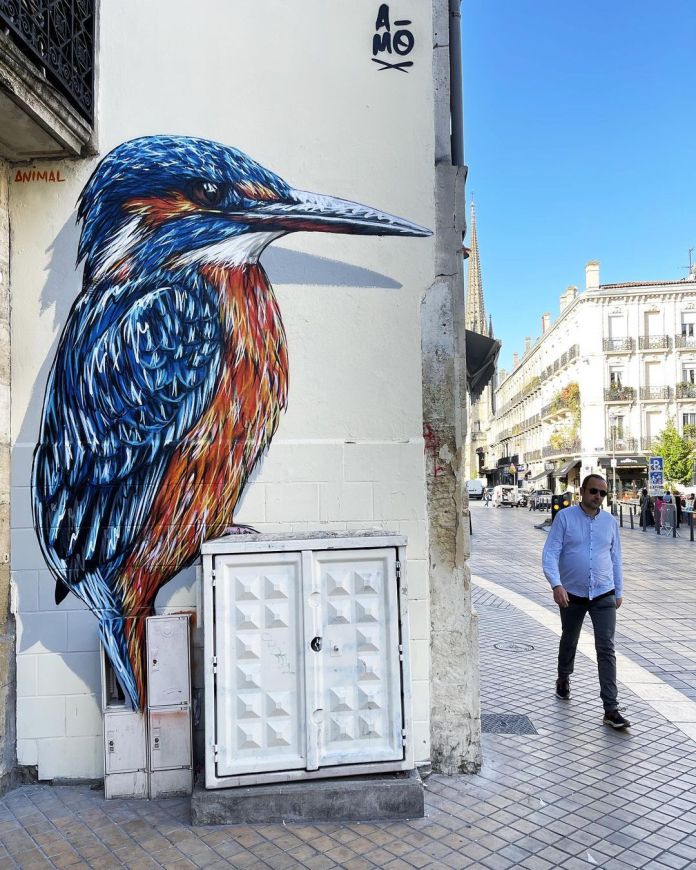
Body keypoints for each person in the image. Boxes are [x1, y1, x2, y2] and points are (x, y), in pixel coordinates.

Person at [542, 474, 629, 729]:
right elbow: (550, 552)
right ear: (582, 491)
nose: (598, 497)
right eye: (594, 491)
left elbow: (616, 558)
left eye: (603, 493)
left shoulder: (610, 522)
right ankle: (563, 677)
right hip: (572, 593)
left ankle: (610, 709)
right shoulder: (565, 518)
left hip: (604, 592)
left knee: (606, 648)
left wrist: (618, 591)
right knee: (570, 638)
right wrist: (556, 584)